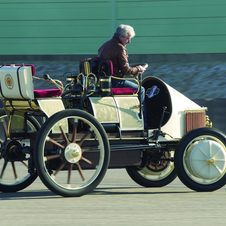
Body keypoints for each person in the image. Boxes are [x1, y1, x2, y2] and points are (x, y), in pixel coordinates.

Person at [97, 24, 147, 125]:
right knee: (141, 89)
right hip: (114, 82)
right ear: (121, 37)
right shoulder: (120, 48)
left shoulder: (104, 45)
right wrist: (139, 69)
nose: (129, 42)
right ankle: (143, 120)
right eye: (128, 39)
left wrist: (134, 69)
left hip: (103, 82)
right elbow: (126, 71)